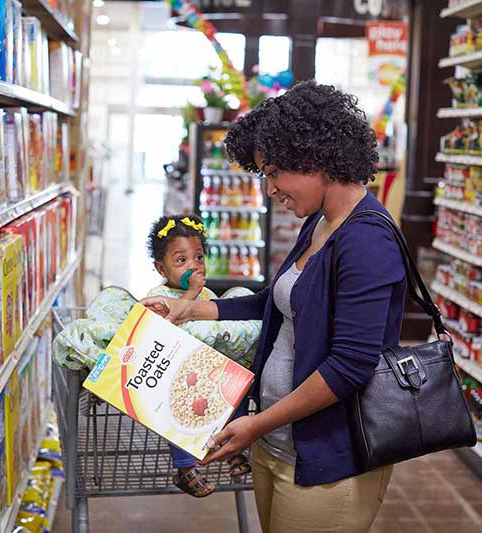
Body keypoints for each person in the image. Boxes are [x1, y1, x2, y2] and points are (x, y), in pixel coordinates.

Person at [141, 81, 407, 532]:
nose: (269, 189)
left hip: (328, 458)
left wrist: (258, 423)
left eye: (274, 171)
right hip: (279, 445)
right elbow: (275, 302)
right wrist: (187, 310)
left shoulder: (367, 239)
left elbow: (350, 366)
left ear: (316, 156)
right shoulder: (322, 222)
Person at [145, 214, 256, 498]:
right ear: (161, 267)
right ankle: (184, 469)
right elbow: (166, 325)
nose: (193, 265)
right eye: (181, 260)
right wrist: (192, 293)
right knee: (174, 407)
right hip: (178, 376)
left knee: (238, 387)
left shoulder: (207, 294)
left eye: (198, 257)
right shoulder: (160, 294)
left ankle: (235, 451)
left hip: (209, 372)